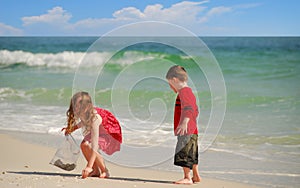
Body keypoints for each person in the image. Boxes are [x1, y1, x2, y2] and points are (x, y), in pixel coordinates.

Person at [62, 91, 122, 179]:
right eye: (75, 107)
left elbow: (94, 146)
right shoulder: (84, 113)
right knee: (84, 145)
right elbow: (84, 121)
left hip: (108, 134)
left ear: (87, 107)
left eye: (79, 108)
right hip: (97, 131)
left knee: (88, 145)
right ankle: (95, 170)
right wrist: (72, 129)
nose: (76, 110)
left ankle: (105, 171)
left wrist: (88, 166)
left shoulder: (95, 118)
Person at [166, 65, 201, 185]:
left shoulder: (184, 92)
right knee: (192, 154)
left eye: (170, 84)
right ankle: (196, 175)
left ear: (175, 80)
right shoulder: (188, 92)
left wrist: (185, 122)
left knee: (184, 154)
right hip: (193, 130)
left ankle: (187, 177)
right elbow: (196, 110)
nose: (170, 87)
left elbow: (189, 108)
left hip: (186, 130)